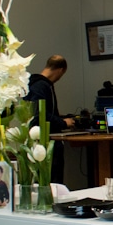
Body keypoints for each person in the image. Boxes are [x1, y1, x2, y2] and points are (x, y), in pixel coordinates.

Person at [25, 55, 74, 184]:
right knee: (53, 180)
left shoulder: (33, 84)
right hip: (46, 142)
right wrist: (63, 122)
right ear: (60, 70)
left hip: (37, 140)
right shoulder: (42, 86)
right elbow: (39, 114)